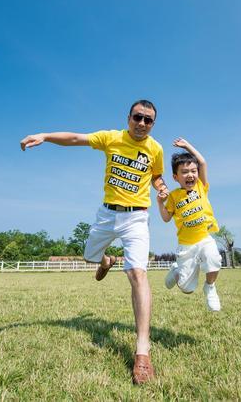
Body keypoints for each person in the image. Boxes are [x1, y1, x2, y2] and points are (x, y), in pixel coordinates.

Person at [19, 99, 168, 385]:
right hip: (106, 214)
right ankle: (106, 260)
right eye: (138, 117)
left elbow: (156, 175)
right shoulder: (112, 138)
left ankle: (142, 353)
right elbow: (76, 138)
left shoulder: (155, 149)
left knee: (138, 273)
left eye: (149, 120)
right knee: (90, 256)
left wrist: (160, 187)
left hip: (137, 217)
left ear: (153, 124)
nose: (142, 123)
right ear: (128, 118)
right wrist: (45, 136)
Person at [156, 137, 223, 312]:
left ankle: (210, 287)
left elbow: (202, 162)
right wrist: (159, 203)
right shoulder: (174, 196)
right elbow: (165, 218)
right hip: (186, 246)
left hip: (204, 239)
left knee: (214, 259)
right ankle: (177, 270)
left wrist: (187, 145)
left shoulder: (201, 186)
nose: (191, 175)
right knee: (187, 288)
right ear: (175, 177)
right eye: (185, 172)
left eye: (193, 171)